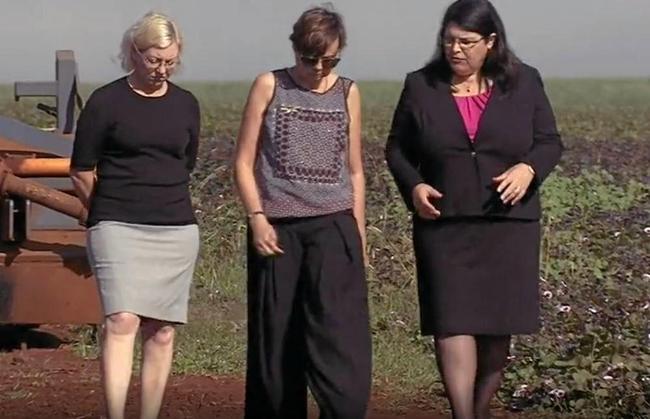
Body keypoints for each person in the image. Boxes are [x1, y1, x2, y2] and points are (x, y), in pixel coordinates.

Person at [385, 1, 563, 418]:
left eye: (466, 42)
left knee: (497, 327)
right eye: (448, 41)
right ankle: (462, 415)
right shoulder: (420, 85)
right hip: (443, 225)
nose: (456, 50)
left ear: (491, 42)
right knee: (451, 321)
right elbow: (397, 147)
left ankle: (481, 410)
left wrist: (528, 168)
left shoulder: (525, 83)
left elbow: (550, 141)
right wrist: (414, 186)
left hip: (508, 224)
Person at [234, 5, 371, 419]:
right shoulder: (270, 85)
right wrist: (257, 217)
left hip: (334, 228)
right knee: (276, 344)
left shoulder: (348, 91)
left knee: (341, 343)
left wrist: (359, 239)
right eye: (308, 59)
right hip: (278, 232)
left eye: (328, 60)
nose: (317, 68)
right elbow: (242, 162)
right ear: (295, 50)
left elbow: (356, 171)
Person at [69, 12, 200, 419]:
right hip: (117, 224)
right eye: (154, 60)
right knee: (122, 320)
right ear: (134, 53)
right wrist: (103, 211)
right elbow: (81, 169)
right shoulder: (106, 102)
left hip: (175, 227)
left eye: (169, 62)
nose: (161, 70)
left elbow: (186, 163)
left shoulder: (186, 104)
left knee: (161, 330)